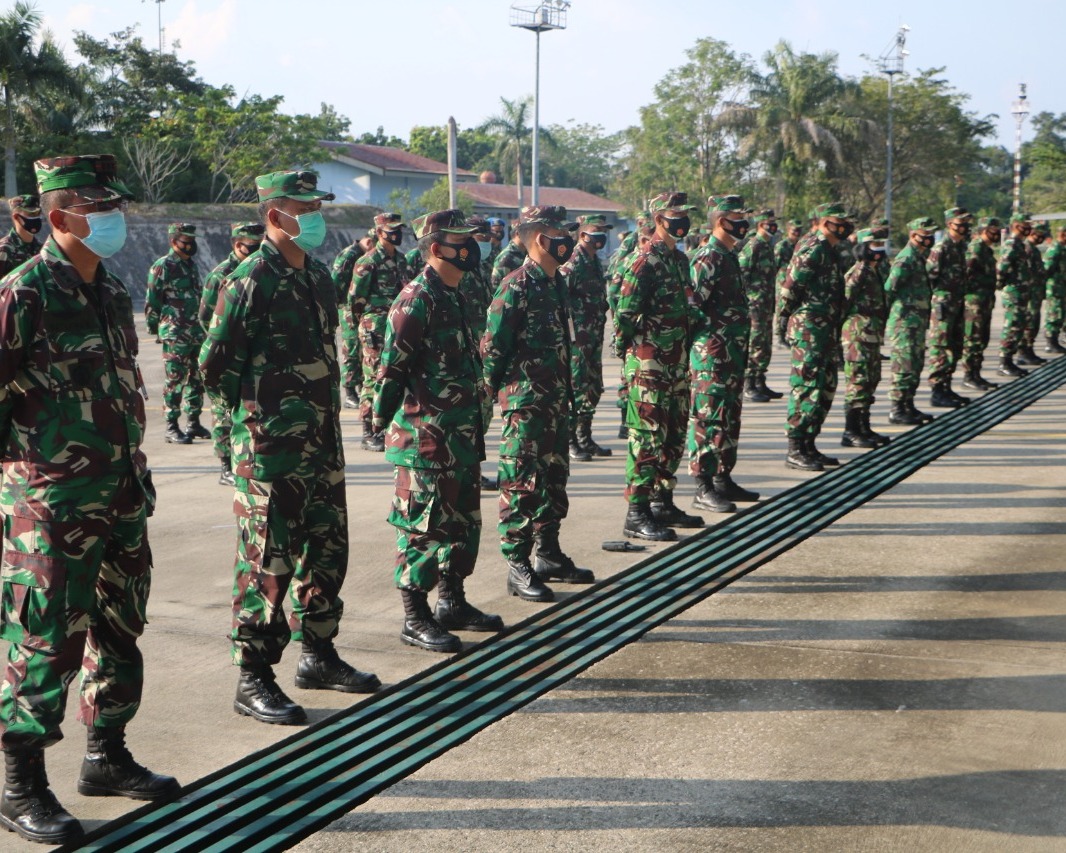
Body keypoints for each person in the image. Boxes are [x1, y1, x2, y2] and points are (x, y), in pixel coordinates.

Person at [0, 155, 178, 846]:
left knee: (120, 626)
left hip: (120, 489)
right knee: (46, 639)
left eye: (113, 207)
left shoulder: (107, 289)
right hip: (53, 503)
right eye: (98, 207)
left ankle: (106, 753)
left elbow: (121, 388)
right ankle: (22, 785)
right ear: (59, 216)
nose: (112, 219)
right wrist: (28, 481)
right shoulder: (23, 293)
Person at [200, 170, 380, 728]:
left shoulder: (319, 276)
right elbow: (214, 366)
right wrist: (245, 435)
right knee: (266, 565)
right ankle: (252, 676)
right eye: (304, 208)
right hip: (270, 452)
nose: (316, 217)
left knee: (327, 553)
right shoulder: (250, 279)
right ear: (275, 216)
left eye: (317, 206)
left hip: (321, 447)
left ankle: (318, 656)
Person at [374, 209, 503, 653]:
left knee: (463, 524)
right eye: (459, 240)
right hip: (425, 440)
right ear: (435, 248)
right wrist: (382, 424)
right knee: (423, 528)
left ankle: (453, 601)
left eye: (471, 238)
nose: (470, 246)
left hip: (462, 435)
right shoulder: (416, 300)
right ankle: (415, 615)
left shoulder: (459, 295)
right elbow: (391, 370)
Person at [482, 205, 595, 601]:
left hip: (556, 401)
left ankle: (548, 552)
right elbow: (493, 349)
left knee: (553, 480)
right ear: (540, 238)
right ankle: (518, 564)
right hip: (526, 404)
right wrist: (488, 403)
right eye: (559, 232)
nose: (567, 238)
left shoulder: (555, 283)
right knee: (521, 484)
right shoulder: (516, 285)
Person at [616, 192, 703, 540]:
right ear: (658, 219)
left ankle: (662, 500)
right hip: (649, 363)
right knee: (648, 436)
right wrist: (630, 356)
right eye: (674, 214)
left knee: (675, 432)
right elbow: (624, 313)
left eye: (685, 214)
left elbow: (689, 304)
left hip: (677, 360)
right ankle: (636, 512)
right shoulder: (644, 261)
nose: (682, 220)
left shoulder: (680, 260)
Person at [687, 195, 759, 513]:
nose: (744, 223)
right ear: (720, 221)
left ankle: (722, 478)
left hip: (731, 352)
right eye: (737, 216)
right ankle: (702, 485)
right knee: (709, 417)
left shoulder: (729, 255)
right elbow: (691, 309)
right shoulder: (708, 258)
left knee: (729, 417)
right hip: (712, 354)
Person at [779, 202, 853, 470]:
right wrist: (784, 318)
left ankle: (809, 443)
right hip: (809, 328)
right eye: (839, 220)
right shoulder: (814, 246)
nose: (845, 226)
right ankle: (795, 447)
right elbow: (791, 284)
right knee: (807, 386)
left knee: (825, 386)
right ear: (825, 221)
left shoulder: (831, 249)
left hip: (826, 328)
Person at [199, 222, 264, 485]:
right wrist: (223, 344)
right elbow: (205, 316)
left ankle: (244, 461)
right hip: (226, 352)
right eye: (253, 246)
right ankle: (225, 464)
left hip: (250, 355)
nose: (259, 250)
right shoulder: (221, 274)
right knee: (222, 413)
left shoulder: (260, 270)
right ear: (238, 245)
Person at [350, 212, 412, 451]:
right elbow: (356, 299)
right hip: (375, 327)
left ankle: (385, 428)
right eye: (391, 230)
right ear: (379, 233)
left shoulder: (402, 260)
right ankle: (368, 431)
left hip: (396, 325)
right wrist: (365, 325)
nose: (396, 234)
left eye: (399, 230)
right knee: (372, 377)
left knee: (391, 375)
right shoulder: (368, 262)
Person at [145, 223, 208, 445]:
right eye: (185, 240)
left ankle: (194, 422)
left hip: (196, 331)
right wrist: (155, 328)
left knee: (197, 379)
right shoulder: (163, 266)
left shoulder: (191, 265)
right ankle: (171, 427)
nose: (190, 245)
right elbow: (153, 300)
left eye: (192, 240)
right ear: (174, 241)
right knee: (175, 380)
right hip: (175, 332)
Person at [561, 214, 612, 461]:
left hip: (594, 335)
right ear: (583, 234)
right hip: (577, 339)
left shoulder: (594, 261)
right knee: (577, 387)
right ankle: (570, 440)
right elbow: (561, 300)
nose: (601, 235)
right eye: (597, 230)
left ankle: (585, 437)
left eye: (604, 230)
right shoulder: (573, 262)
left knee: (593, 388)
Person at [840, 227, 891, 448]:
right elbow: (844, 302)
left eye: (881, 244)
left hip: (871, 334)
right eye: (873, 245)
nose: (878, 249)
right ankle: (851, 431)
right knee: (858, 381)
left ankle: (864, 426)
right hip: (858, 334)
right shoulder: (858, 271)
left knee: (871, 379)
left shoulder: (874, 270)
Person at [885, 217, 938, 424]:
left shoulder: (919, 257)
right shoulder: (906, 258)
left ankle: (908, 405)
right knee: (904, 365)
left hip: (916, 321)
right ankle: (897, 408)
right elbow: (890, 288)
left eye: (930, 236)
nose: (928, 240)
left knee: (915, 363)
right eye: (924, 236)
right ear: (912, 235)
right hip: (904, 321)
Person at [926, 207, 974, 408]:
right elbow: (930, 276)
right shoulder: (941, 247)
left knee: (955, 345)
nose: (964, 227)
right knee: (941, 346)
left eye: (966, 223)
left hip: (957, 302)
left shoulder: (961, 246)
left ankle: (946, 386)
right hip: (943, 305)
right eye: (960, 223)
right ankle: (937, 390)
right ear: (949, 224)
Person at [738, 208, 782, 402]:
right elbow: (742, 273)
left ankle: (760, 380)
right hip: (754, 304)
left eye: (775, 223)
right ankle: (749, 384)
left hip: (766, 304)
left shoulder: (768, 246)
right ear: (760, 224)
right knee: (754, 343)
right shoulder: (753, 245)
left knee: (764, 344)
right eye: (769, 223)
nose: (773, 226)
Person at [960, 217, 1002, 389]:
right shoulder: (976, 248)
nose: (996, 234)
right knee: (973, 339)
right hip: (974, 302)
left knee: (982, 338)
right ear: (984, 230)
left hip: (985, 300)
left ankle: (976, 373)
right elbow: (967, 274)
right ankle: (969, 375)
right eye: (993, 230)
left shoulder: (987, 250)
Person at [330, 230, 369, 410]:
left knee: (363, 350)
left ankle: (360, 389)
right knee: (352, 350)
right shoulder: (349, 255)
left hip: (361, 310)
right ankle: (350, 392)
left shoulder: (362, 255)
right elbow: (336, 283)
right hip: (348, 309)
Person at [996, 213, 1034, 377]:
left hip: (1021, 291)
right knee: (1012, 326)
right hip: (1013, 292)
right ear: (1017, 225)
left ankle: (1010, 360)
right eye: (1026, 225)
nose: (1029, 228)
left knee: (1019, 325)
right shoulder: (1011, 244)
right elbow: (1002, 268)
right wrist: (1001, 284)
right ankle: (1004, 362)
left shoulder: (1020, 244)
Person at [1018, 221, 1050, 366]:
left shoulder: (1033, 249)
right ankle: (1023, 352)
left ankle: (1029, 350)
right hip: (1030, 293)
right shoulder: (1027, 249)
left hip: (1035, 293)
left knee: (1034, 322)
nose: (1041, 238)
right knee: (1029, 323)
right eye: (1039, 234)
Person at [0, 195, 43, 278]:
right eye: (31, 214)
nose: (36, 218)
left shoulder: (40, 248)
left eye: (37, 213)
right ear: (16, 217)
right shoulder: (4, 250)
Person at [1043, 223, 1066, 354]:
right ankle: (1051, 342)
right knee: (1054, 315)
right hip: (1055, 289)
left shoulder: (1062, 249)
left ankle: (1055, 340)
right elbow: (1047, 269)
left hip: (1061, 288)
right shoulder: (1055, 249)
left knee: (1060, 315)